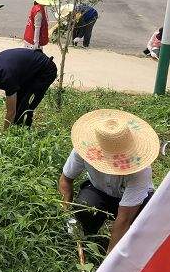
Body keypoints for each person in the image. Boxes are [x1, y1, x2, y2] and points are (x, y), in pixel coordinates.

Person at [58, 109, 159, 254]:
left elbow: (124, 218)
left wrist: (110, 258)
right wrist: (66, 214)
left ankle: (132, 250)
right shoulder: (84, 150)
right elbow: (65, 180)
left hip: (135, 202)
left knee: (148, 219)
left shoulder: (140, 171)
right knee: (84, 209)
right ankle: (86, 236)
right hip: (98, 191)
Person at [0, 48, 57, 130]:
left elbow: (11, 112)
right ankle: (17, 128)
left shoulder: (6, 77)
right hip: (25, 71)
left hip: (45, 70)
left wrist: (3, 135)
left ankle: (24, 131)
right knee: (18, 107)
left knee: (24, 106)